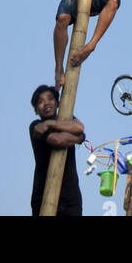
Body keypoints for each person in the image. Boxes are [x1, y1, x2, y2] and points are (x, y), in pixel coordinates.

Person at [29, 84, 85, 217]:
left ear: (58, 103)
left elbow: (79, 127)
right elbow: (58, 141)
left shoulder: (66, 119)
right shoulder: (36, 126)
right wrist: (79, 138)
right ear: (36, 110)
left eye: (50, 99)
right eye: (40, 102)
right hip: (43, 196)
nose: (46, 103)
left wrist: (49, 124)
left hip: (70, 197)